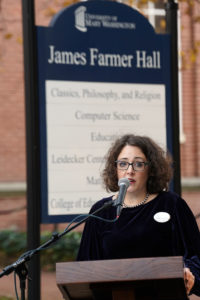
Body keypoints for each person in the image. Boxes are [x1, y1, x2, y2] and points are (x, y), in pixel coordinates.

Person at [77, 134, 200, 297]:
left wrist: (189, 272)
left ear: (151, 168)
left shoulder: (172, 204)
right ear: (115, 169)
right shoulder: (101, 211)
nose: (130, 171)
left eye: (138, 164)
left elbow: (196, 255)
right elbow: (85, 268)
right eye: (123, 164)